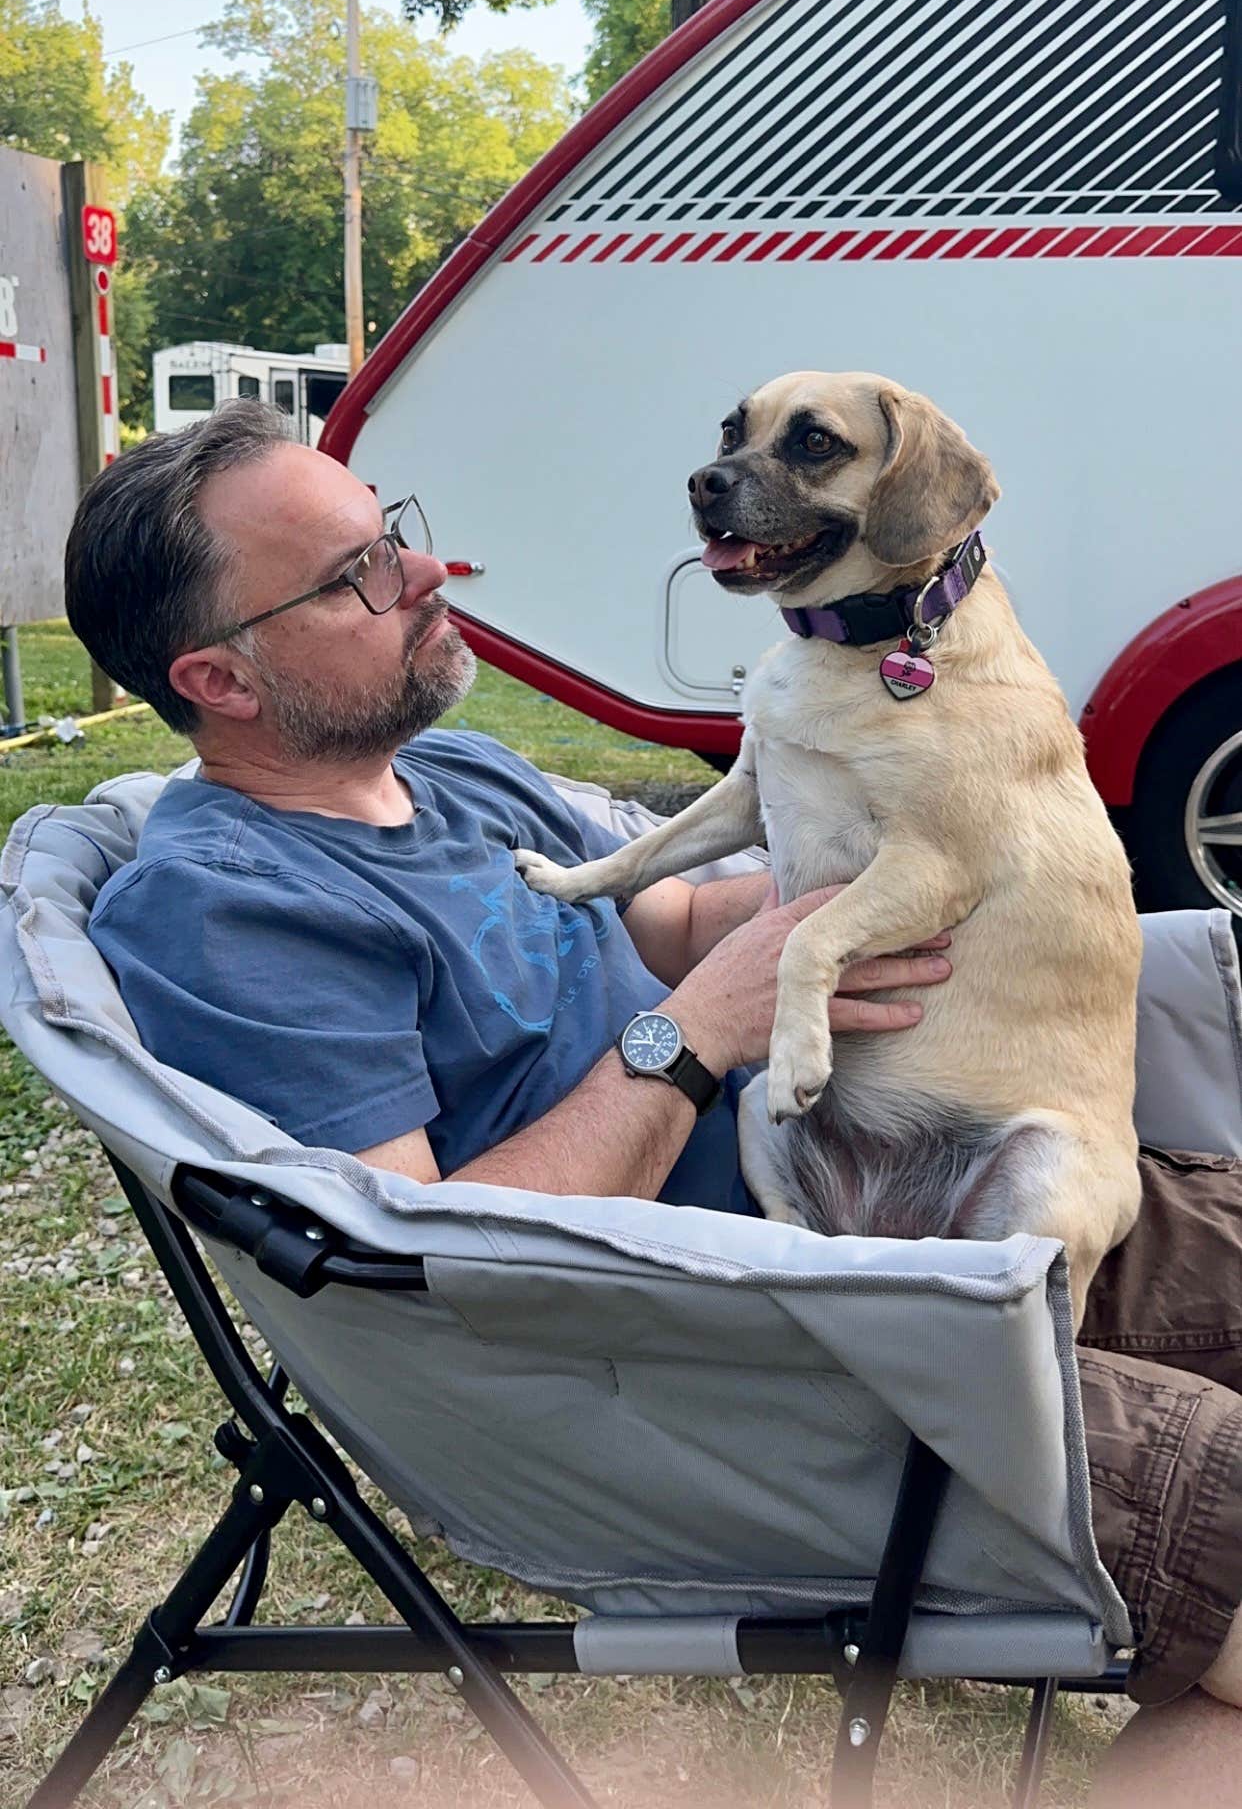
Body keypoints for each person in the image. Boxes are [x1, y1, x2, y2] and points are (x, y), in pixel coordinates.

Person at [63, 401, 1242, 1803]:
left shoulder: (445, 774)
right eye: (355, 576)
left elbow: (667, 920)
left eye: (393, 531)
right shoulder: (230, 910)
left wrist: (936, 855)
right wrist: (696, 1035)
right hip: (769, 1360)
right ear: (223, 678)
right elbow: (418, 1262)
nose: (426, 573)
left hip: (931, 1175)